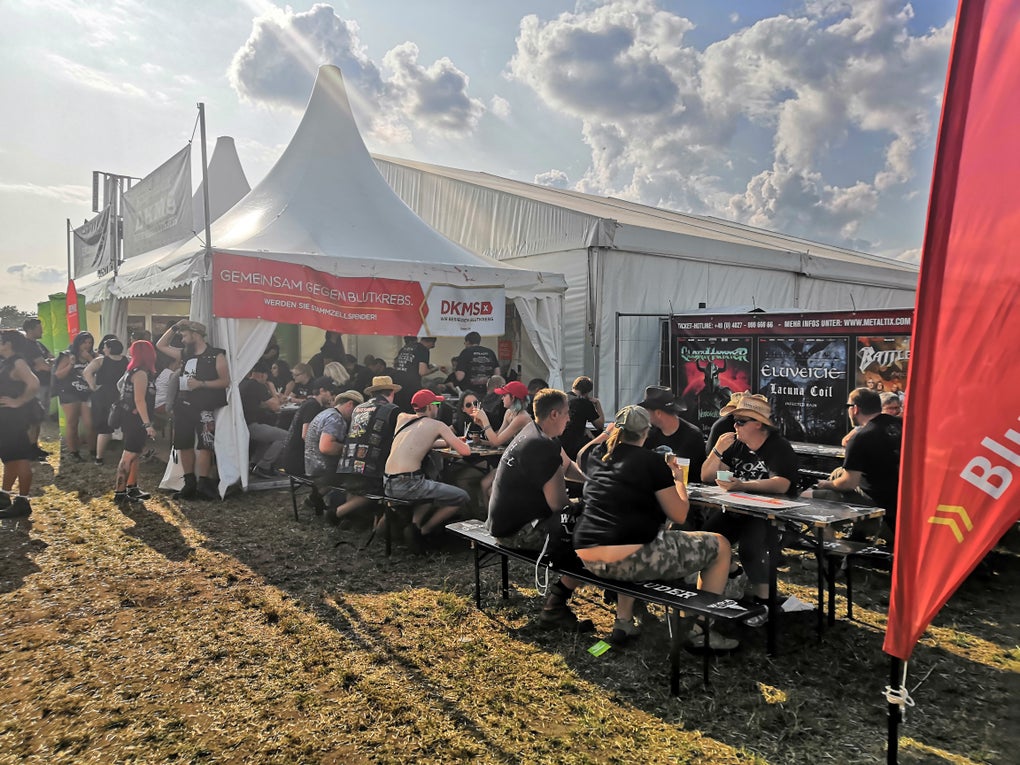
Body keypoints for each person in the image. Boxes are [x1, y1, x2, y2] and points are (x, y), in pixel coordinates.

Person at [574, 406, 737, 649]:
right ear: (646, 432)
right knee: (721, 546)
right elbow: (679, 513)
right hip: (628, 559)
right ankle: (700, 630)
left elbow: (582, 456)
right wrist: (679, 482)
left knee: (631, 533)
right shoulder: (652, 462)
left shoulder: (598, 455)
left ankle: (624, 621)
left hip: (589, 556)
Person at [486, 388, 591, 630]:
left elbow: (566, 465)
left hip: (503, 521)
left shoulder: (537, 432)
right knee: (591, 535)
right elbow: (560, 506)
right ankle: (555, 607)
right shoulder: (541, 446)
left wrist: (591, 482)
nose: (569, 419)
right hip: (514, 531)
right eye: (567, 414)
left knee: (586, 521)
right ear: (554, 414)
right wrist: (586, 504)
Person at [700, 394, 799, 618]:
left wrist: (743, 485)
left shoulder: (778, 447)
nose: (734, 426)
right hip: (737, 510)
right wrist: (717, 450)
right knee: (706, 539)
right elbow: (706, 475)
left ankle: (765, 603)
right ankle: (726, 584)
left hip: (771, 514)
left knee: (750, 548)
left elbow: (782, 484)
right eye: (734, 421)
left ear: (758, 424)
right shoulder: (737, 445)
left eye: (740, 421)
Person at [807, 387, 903, 543]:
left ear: (855, 408)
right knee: (839, 472)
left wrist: (825, 484)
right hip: (903, 496)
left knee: (808, 497)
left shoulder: (860, 438)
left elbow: (849, 483)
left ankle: (832, 551)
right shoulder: (900, 424)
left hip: (878, 502)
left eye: (848, 407)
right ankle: (857, 534)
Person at [384, 389, 472, 552]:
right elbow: (465, 452)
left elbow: (421, 442)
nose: (438, 407)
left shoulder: (402, 418)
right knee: (462, 496)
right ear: (431, 407)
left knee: (430, 487)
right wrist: (460, 441)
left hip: (388, 483)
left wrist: (449, 442)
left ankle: (414, 527)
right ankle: (423, 532)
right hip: (409, 483)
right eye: (437, 404)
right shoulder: (437, 425)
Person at [155, 320, 230, 500]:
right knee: (183, 444)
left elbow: (225, 381)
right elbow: (161, 345)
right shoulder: (185, 354)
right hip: (184, 406)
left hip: (205, 406)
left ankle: (203, 483)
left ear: (195, 335)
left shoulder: (216, 355)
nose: (181, 339)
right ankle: (189, 483)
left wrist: (201, 384)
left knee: (206, 444)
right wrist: (175, 327)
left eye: (184, 335)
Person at [333, 376, 403, 523]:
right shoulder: (392, 410)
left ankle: (350, 519)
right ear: (391, 393)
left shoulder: (358, 408)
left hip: (347, 460)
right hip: (371, 464)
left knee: (353, 488)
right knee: (377, 491)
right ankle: (338, 513)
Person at [0, 330, 41, 518]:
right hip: (6, 418)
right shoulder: (6, 362)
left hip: (14, 418)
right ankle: (5, 495)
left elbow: (33, 383)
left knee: (21, 458)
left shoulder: (17, 361)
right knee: (10, 458)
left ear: (7, 343)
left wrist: (19, 401)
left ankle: (23, 501)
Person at [112, 341, 158, 505]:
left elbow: (120, 386)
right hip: (135, 420)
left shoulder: (133, 371)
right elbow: (139, 400)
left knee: (135, 454)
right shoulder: (140, 374)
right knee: (129, 454)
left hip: (131, 417)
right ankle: (120, 492)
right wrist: (147, 425)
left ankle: (132, 487)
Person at [303, 390, 364, 513]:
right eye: (356, 411)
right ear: (350, 404)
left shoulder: (325, 413)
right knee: (359, 475)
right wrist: (351, 449)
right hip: (323, 468)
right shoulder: (335, 419)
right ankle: (346, 512)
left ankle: (317, 497)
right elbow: (326, 447)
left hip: (311, 465)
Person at [638, 386, 706, 485]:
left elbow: (686, 473)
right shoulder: (649, 434)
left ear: (658, 413)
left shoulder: (692, 436)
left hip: (686, 491)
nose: (645, 415)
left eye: (647, 411)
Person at [279, 376, 339, 477]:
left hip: (293, 456)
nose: (331, 397)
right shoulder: (313, 406)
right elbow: (306, 435)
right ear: (322, 390)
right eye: (331, 393)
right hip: (298, 459)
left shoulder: (311, 404)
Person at [83, 336, 129, 465]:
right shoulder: (128, 360)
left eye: (104, 347)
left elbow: (87, 372)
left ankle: (99, 458)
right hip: (121, 395)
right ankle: (127, 454)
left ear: (108, 349)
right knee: (126, 426)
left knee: (104, 428)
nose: (103, 349)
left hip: (103, 395)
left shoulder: (101, 361)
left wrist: (93, 386)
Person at [51, 331, 96, 462]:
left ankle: (93, 451)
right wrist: (71, 364)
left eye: (90, 343)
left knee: (90, 423)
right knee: (72, 422)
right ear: (78, 343)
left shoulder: (93, 356)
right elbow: (58, 375)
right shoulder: (67, 355)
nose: (87, 345)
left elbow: (99, 370)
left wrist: (89, 359)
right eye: (84, 342)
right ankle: (73, 452)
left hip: (87, 393)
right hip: (69, 392)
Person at [239, 360, 289, 479]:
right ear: (263, 375)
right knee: (285, 436)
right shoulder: (256, 385)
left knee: (267, 437)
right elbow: (276, 407)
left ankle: (254, 464)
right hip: (250, 426)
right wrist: (271, 388)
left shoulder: (243, 384)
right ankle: (264, 466)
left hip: (242, 425)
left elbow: (259, 404)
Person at [21, 318, 53, 459]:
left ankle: (34, 446)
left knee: (39, 418)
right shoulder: (27, 345)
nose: (42, 331)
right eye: (39, 328)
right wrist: (48, 363)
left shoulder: (38, 345)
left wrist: (48, 362)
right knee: (33, 418)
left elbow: (51, 358)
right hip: (35, 386)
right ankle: (28, 449)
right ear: (30, 329)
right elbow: (43, 366)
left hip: (44, 383)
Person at [561, 376, 605, 460]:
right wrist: (598, 404)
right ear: (587, 392)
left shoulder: (562, 398)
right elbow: (600, 425)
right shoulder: (584, 403)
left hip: (559, 443)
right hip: (575, 446)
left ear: (574, 386)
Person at [454, 331, 499, 397]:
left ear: (468, 342)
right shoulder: (490, 352)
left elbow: (459, 377)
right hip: (488, 392)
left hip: (470, 393)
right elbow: (497, 375)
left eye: (465, 343)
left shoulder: (465, 352)